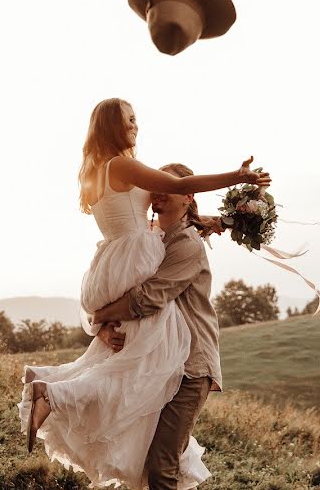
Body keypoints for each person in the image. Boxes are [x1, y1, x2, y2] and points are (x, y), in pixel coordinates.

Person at [18, 98, 270, 489]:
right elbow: (180, 193)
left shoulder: (174, 236)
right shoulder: (128, 180)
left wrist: (212, 221)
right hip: (174, 353)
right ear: (111, 127)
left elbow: (154, 279)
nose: (136, 124)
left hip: (190, 361)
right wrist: (236, 177)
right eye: (128, 119)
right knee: (127, 387)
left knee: (149, 434)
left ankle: (55, 391)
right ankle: (54, 393)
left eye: (137, 118)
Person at [94, 162, 224, 490]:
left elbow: (147, 299)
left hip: (191, 365)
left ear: (189, 196)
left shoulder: (187, 245)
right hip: (159, 364)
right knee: (146, 461)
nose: (160, 193)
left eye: (172, 187)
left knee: (162, 466)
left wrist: (99, 315)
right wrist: (104, 326)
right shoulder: (152, 239)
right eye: (157, 187)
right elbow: (125, 287)